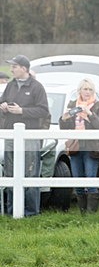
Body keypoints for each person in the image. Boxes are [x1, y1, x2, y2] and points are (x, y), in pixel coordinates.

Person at [1, 55, 49, 217]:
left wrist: (23, 111)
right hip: (11, 136)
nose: (11, 69)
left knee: (29, 173)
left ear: (24, 68)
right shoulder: (10, 86)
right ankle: (11, 210)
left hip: (29, 136)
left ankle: (31, 212)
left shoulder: (37, 87)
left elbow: (43, 111)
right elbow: (2, 101)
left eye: (14, 66)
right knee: (10, 172)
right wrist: (3, 106)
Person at [59, 78, 99, 214]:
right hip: (76, 147)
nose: (87, 92)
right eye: (85, 89)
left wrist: (90, 114)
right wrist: (63, 118)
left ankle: (91, 213)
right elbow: (64, 127)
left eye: (90, 89)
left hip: (92, 148)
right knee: (77, 180)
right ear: (79, 91)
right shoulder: (72, 105)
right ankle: (82, 213)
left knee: (91, 180)